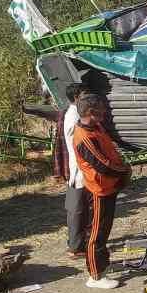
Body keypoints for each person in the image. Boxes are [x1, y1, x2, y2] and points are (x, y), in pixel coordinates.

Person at [73, 93, 131, 289]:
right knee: (96, 234)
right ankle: (95, 276)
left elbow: (110, 152)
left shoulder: (96, 127)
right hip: (98, 189)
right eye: (101, 110)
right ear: (91, 112)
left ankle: (103, 265)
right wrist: (124, 170)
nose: (105, 113)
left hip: (109, 186)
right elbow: (102, 164)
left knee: (104, 231)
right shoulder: (84, 137)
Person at [63, 84, 89, 258]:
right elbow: (78, 143)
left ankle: (77, 243)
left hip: (80, 167)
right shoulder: (73, 116)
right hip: (79, 168)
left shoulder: (76, 114)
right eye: (85, 95)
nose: (87, 98)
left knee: (80, 208)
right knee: (77, 209)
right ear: (77, 97)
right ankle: (76, 246)